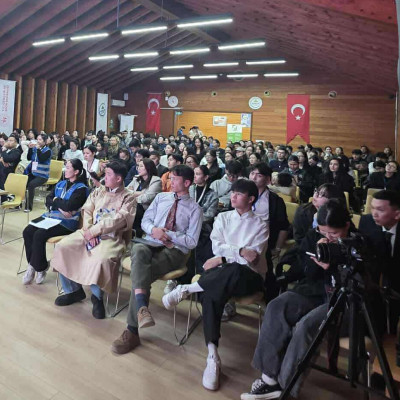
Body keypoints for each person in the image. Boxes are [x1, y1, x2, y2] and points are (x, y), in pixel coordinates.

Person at [240, 199, 374, 399]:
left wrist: (334, 268)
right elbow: (306, 272)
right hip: (313, 292)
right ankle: (269, 380)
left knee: (306, 325)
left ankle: (286, 388)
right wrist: (317, 261)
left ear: (346, 225)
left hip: (342, 299)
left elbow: (362, 284)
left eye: (333, 233)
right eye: (323, 232)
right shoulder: (314, 236)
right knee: (277, 305)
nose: (327, 237)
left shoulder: (358, 243)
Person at [163, 179, 269, 391]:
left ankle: (188, 289)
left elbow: (251, 259)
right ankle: (213, 355)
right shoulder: (223, 217)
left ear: (251, 199)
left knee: (235, 269)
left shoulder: (261, 224)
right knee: (213, 292)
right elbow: (216, 246)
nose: (233, 196)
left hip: (250, 277)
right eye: (233, 192)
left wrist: (225, 257)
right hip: (221, 273)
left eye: (239, 194)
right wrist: (237, 252)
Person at [111, 165, 203, 354]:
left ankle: (132, 330)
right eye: (170, 177)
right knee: (138, 249)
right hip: (150, 242)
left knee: (140, 272)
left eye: (175, 178)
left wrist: (168, 234)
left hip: (174, 251)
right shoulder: (161, 197)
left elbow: (192, 241)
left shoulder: (195, 209)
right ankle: (142, 309)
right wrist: (154, 230)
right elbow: (145, 221)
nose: (170, 181)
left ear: (187, 183)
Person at [51, 161, 136, 319]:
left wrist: (95, 231)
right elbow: (87, 210)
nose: (105, 177)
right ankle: (73, 291)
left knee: (100, 259)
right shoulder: (99, 191)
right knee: (62, 247)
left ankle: (97, 298)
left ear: (118, 179)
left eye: (108, 174)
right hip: (88, 231)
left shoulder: (128, 197)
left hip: (111, 237)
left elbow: (119, 220)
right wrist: (89, 229)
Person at [22, 159, 89, 285]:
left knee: (39, 234)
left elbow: (69, 206)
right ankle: (34, 265)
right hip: (51, 217)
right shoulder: (61, 183)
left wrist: (56, 201)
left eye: (68, 167)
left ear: (76, 171)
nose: (65, 170)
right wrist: (60, 206)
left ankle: (39, 268)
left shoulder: (81, 188)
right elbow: (47, 200)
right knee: (28, 231)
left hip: (66, 223)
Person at [359, 190, 400, 333]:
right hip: (377, 279)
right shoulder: (367, 222)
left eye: (380, 210)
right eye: (372, 208)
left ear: (397, 214)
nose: (374, 214)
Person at [127, 158, 162, 237]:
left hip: (145, 208)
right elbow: (126, 192)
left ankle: (135, 233)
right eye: (138, 166)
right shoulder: (136, 178)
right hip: (134, 205)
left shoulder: (156, 180)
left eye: (141, 166)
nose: (138, 168)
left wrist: (132, 195)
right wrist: (140, 193)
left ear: (148, 167)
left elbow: (147, 198)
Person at [24, 133, 52, 212]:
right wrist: (30, 148)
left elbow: (42, 159)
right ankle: (18, 203)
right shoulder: (35, 148)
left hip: (43, 175)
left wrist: (38, 149)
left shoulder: (48, 151)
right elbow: (29, 158)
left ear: (45, 141)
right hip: (33, 173)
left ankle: (28, 207)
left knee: (31, 185)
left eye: (40, 140)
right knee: (23, 182)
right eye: (37, 139)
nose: (38, 141)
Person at [0, 135, 22, 202]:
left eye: (11, 140)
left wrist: (3, 158)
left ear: (16, 142)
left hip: (9, 171)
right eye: (8, 140)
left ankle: (4, 197)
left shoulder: (17, 151)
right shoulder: (6, 150)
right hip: (4, 169)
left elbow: (7, 159)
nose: (8, 142)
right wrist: (2, 161)